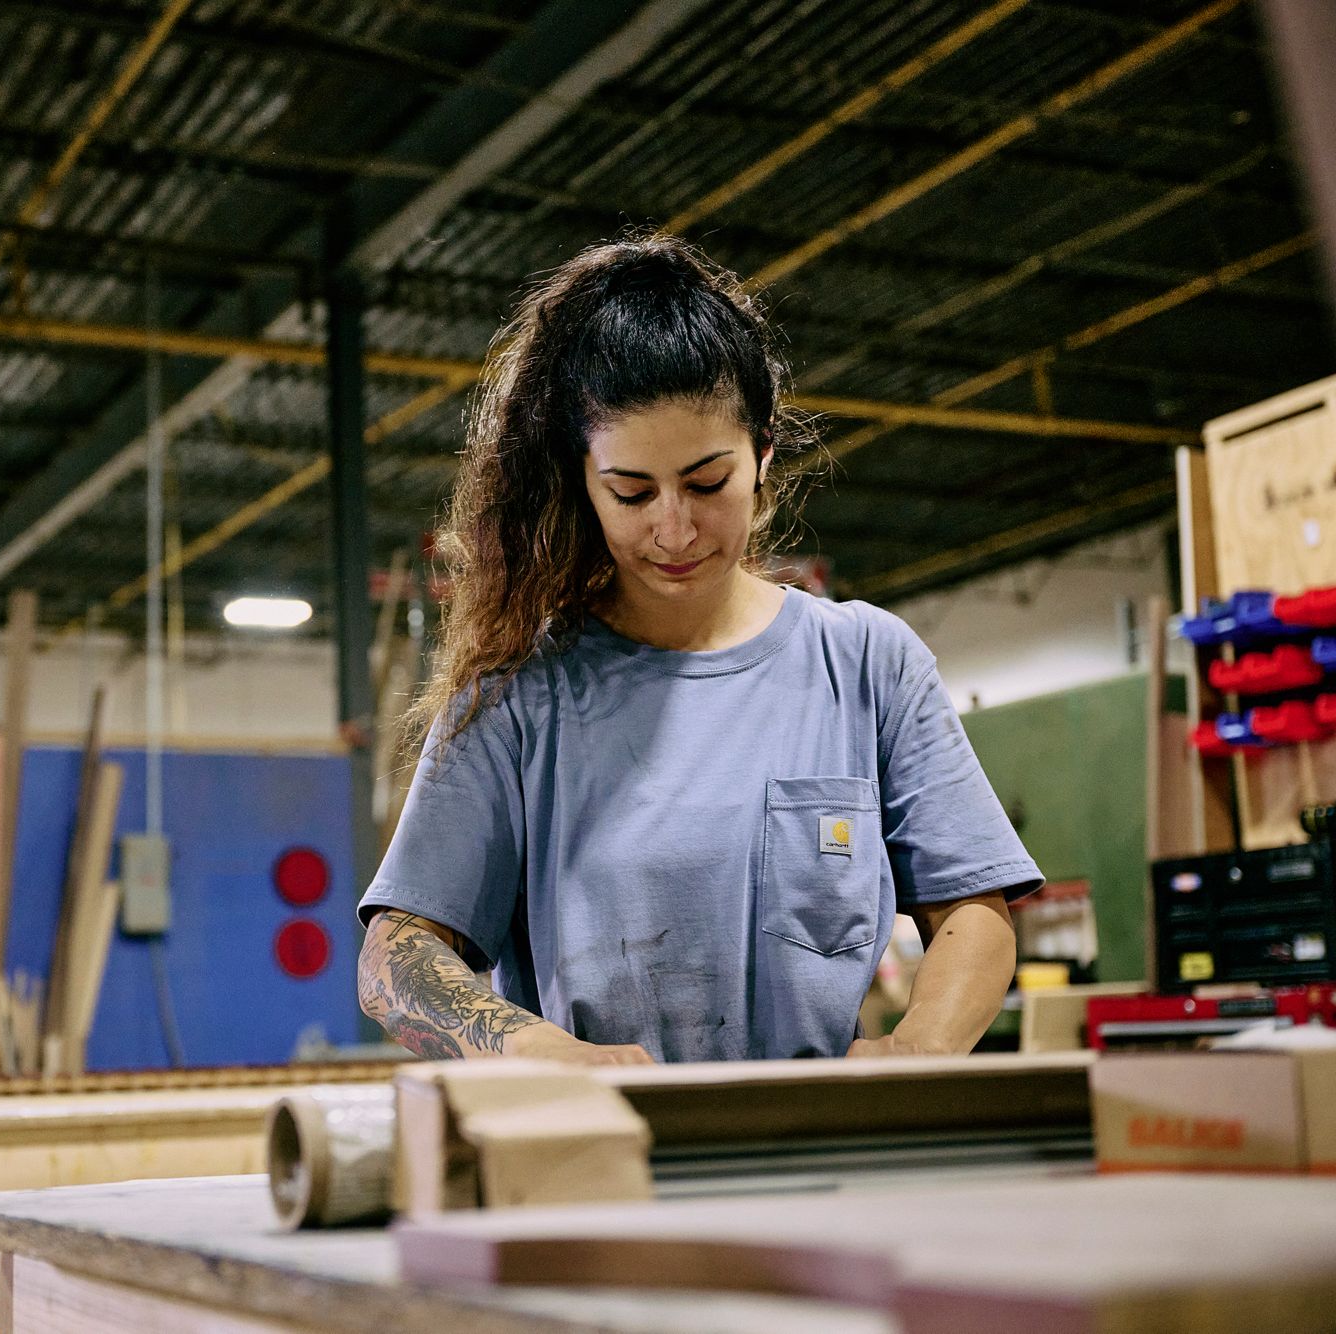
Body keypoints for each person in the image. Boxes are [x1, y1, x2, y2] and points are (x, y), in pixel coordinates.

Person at [356, 234, 1039, 1066]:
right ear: (580, 482)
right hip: (601, 1166)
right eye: (631, 492)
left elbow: (975, 913)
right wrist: (537, 1053)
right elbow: (397, 957)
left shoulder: (869, 665)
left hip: (819, 1152)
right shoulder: (517, 695)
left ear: (762, 456)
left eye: (708, 483)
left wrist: (920, 1047)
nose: (673, 529)